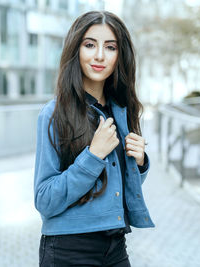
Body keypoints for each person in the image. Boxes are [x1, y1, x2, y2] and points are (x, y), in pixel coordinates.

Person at [34, 10, 155, 267]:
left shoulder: (122, 109)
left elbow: (115, 188)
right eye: (90, 45)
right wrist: (92, 156)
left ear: (120, 56)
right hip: (68, 249)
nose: (99, 55)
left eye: (110, 47)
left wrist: (140, 163)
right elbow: (44, 199)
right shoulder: (53, 114)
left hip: (115, 246)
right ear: (75, 50)